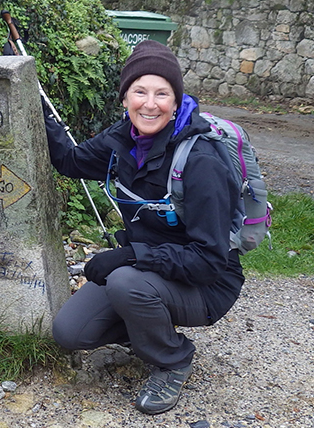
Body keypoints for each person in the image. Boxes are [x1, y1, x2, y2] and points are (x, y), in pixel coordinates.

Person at [43, 40, 244, 415]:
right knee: (71, 332)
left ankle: (172, 359)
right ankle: (150, 329)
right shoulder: (122, 139)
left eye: (162, 94)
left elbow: (209, 261)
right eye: (140, 91)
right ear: (124, 98)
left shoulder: (200, 161)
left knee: (123, 283)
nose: (150, 104)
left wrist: (132, 255)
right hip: (148, 273)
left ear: (175, 100)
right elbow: (71, 161)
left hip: (206, 285)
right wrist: (37, 111)